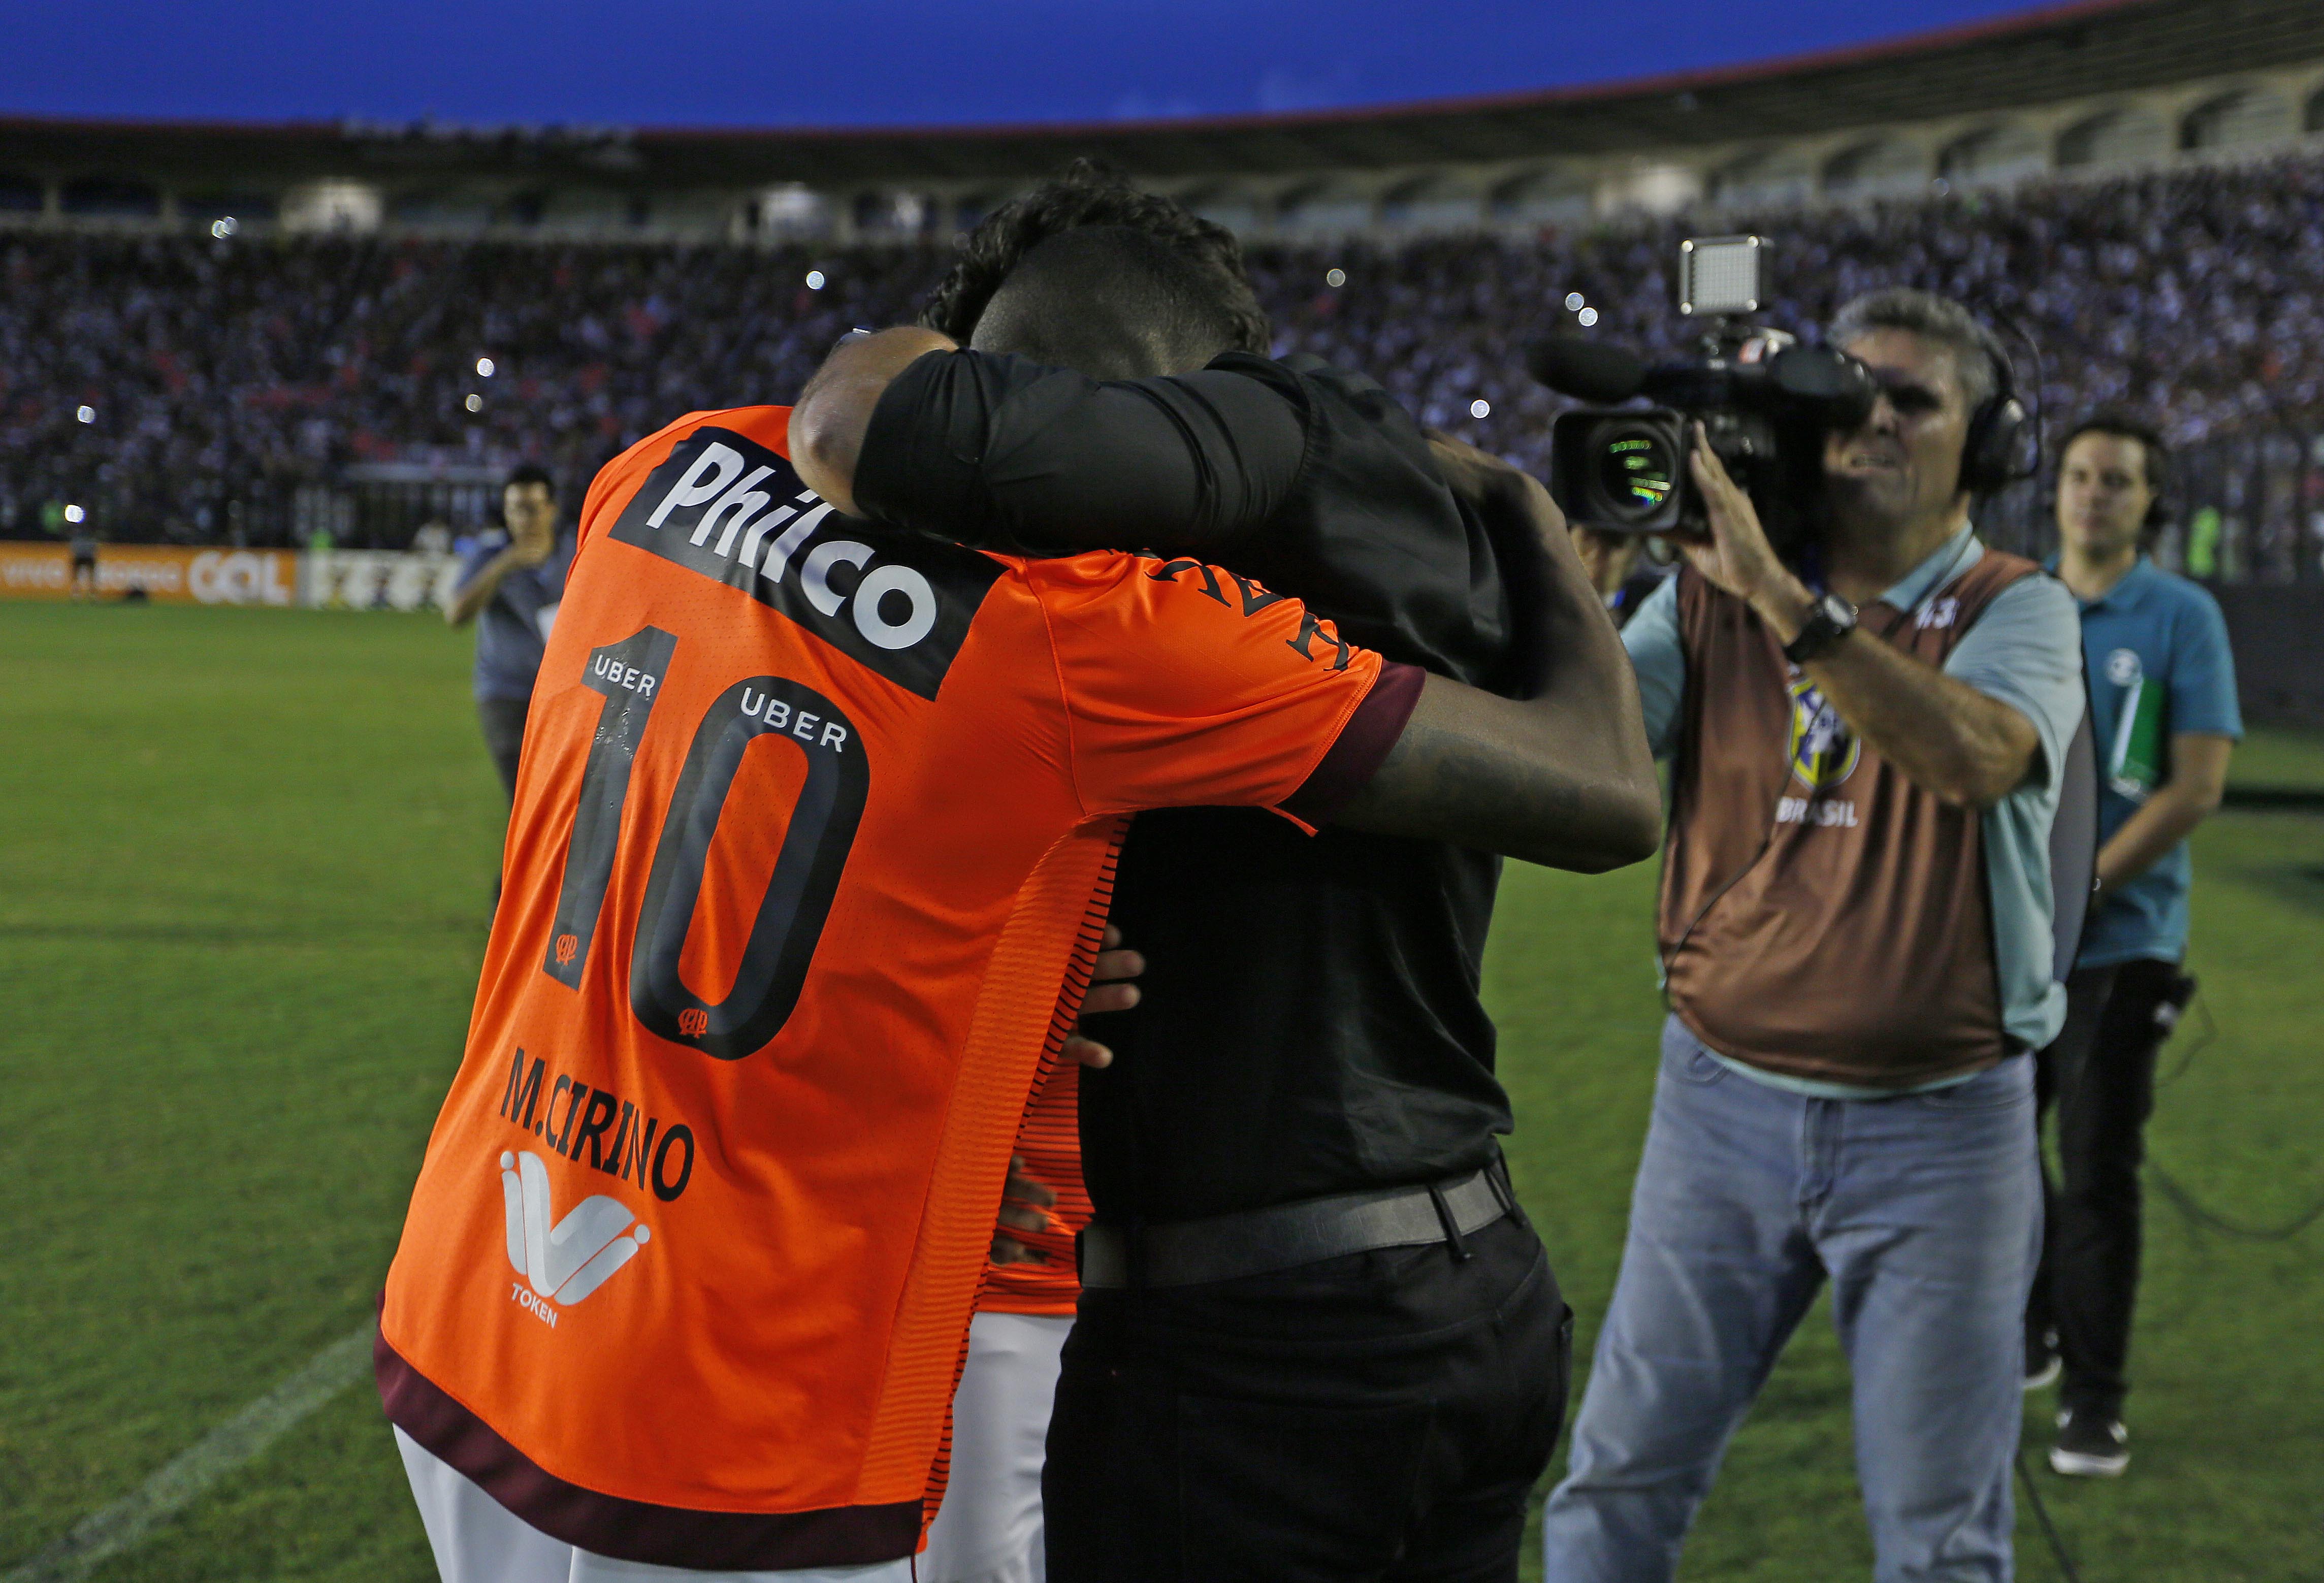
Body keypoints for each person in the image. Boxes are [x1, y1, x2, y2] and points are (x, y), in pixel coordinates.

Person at [379, 268, 1661, 1580]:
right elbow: (1605, 789)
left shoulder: (661, 465)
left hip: (470, 1307)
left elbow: (754, 827)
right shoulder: (1090, 623)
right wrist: (1527, 510)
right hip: (736, 1419)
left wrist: (974, 1058)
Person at [799, 163, 1655, 1581]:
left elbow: (1610, 797)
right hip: (1467, 1279)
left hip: (1250, 1344)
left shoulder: (1198, 557)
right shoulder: (1367, 528)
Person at [1539, 288, 2088, 1583]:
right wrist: (1575, 593)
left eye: (1914, 400)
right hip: (1716, 1105)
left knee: (1939, 1539)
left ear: (1989, 443)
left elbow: (1972, 757)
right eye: (1851, 391)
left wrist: (1784, 601)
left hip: (1938, 1127)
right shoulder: (1706, 593)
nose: (1872, 419)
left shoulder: (2016, 606)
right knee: (1615, 1483)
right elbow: (1584, 757)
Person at [2027, 414, 2239, 1477]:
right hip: (2009, 936)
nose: (2091, 493)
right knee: (1986, 1152)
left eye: (2115, 479)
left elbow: (2194, 786)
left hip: (2121, 941)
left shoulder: (2179, 614)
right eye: (2077, 474)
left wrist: (2083, 882)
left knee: (2097, 1164)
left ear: (2149, 500)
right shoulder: (2020, 602)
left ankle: (2093, 1398)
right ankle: (2033, 1316)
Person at [445, 464, 576, 804]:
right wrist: (505, 565)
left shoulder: (575, 552)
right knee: (525, 799)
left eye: (531, 508)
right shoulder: (490, 557)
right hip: (506, 693)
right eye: (514, 509)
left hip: (565, 694)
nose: (522, 519)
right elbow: (456, 615)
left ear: (552, 509)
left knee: (567, 800)